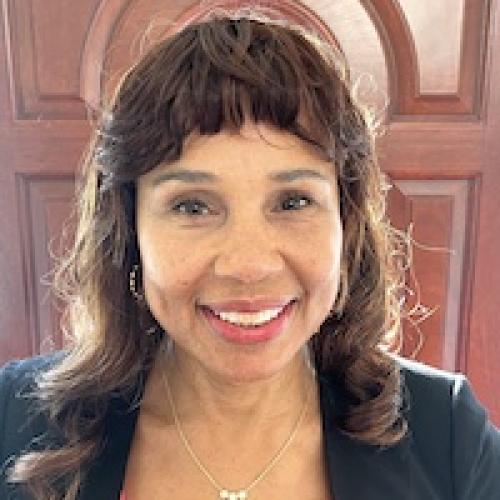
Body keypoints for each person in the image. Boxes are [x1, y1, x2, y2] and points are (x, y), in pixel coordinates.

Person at [1, 10, 499, 500]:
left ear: (345, 228)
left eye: (294, 201)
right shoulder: (15, 421)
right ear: (130, 232)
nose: (248, 265)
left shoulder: (448, 437)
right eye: (192, 206)